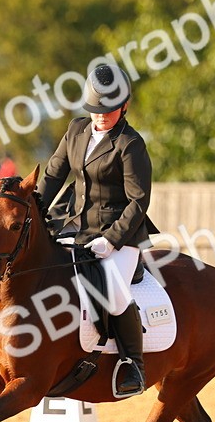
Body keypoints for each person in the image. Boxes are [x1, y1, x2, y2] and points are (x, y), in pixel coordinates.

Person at [37, 63, 158, 398]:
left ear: (124, 106)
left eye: (108, 111)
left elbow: (139, 201)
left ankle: (133, 364)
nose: (100, 116)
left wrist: (112, 240)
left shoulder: (130, 144)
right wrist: (33, 209)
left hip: (120, 235)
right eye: (95, 110)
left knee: (115, 291)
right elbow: (52, 176)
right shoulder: (76, 130)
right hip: (74, 227)